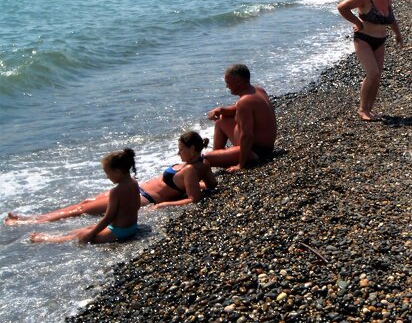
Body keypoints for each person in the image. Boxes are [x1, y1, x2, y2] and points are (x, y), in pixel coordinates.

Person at [8, 132, 217, 227]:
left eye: (181, 149)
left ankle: (33, 220)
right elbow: (212, 184)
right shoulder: (200, 165)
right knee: (86, 203)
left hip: (144, 198)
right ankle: (37, 217)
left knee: (82, 210)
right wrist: (198, 183)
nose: (178, 152)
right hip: (139, 190)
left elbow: (194, 199)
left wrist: (165, 205)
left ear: (191, 149)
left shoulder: (191, 169)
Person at [27, 148, 142, 244]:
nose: (107, 177)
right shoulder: (134, 183)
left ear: (117, 171)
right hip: (131, 228)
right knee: (89, 228)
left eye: (108, 174)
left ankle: (46, 239)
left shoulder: (116, 191)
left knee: (82, 235)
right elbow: (137, 206)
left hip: (119, 233)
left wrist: (90, 235)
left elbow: (108, 218)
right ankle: (54, 235)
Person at [337, 0, 404, 121]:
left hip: (380, 40)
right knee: (372, 73)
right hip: (364, 39)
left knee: (377, 75)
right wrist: (357, 22)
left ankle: (369, 109)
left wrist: (398, 34)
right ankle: (362, 109)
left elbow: (391, 17)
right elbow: (342, 7)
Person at [205, 64, 277, 169]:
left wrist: (241, 165)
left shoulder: (244, 102)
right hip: (262, 147)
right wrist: (221, 110)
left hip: (255, 151)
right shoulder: (258, 90)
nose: (227, 86)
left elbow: (247, 136)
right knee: (221, 121)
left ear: (238, 81)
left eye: (228, 82)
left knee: (205, 159)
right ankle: (218, 156)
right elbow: (241, 109)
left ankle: (217, 159)